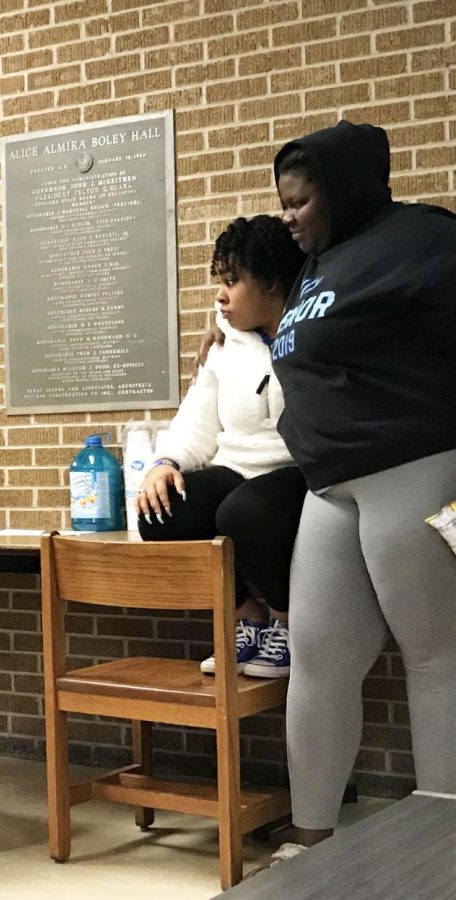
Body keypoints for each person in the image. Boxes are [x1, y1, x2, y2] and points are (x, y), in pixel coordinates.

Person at [269, 120, 456, 859]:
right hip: (330, 485)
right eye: (282, 201)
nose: (289, 216)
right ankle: (309, 840)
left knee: (436, 657)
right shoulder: (319, 262)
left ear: (343, 189)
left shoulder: (426, 238)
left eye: (300, 200)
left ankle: (444, 843)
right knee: (315, 660)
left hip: (417, 469)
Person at [138, 216, 306, 679]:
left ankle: (287, 624)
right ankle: (247, 616)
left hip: (294, 471)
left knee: (244, 511)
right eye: (220, 281)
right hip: (236, 468)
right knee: (162, 509)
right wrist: (164, 463)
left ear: (271, 283)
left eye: (232, 282)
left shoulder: (313, 335)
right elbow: (198, 417)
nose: (220, 295)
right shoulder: (223, 345)